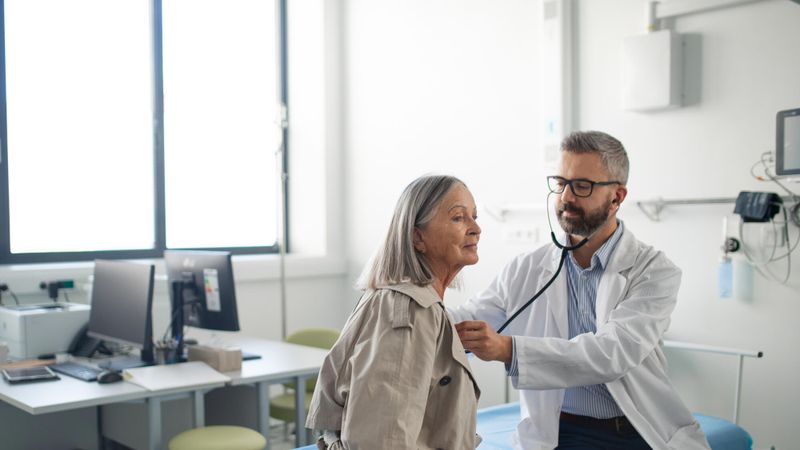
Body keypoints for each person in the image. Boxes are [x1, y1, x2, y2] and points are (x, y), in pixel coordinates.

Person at [452, 131, 711, 450]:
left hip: (635, 431)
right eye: (560, 183)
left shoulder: (654, 271)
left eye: (582, 186)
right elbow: (464, 320)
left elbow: (611, 354)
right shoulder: (526, 269)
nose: (566, 197)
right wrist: (405, 300)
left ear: (617, 197)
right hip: (558, 431)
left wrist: (509, 350)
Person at [306, 174, 482, 449]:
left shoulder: (412, 303)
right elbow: (382, 441)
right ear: (417, 237)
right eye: (459, 218)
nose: (476, 228)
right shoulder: (410, 313)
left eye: (474, 216)